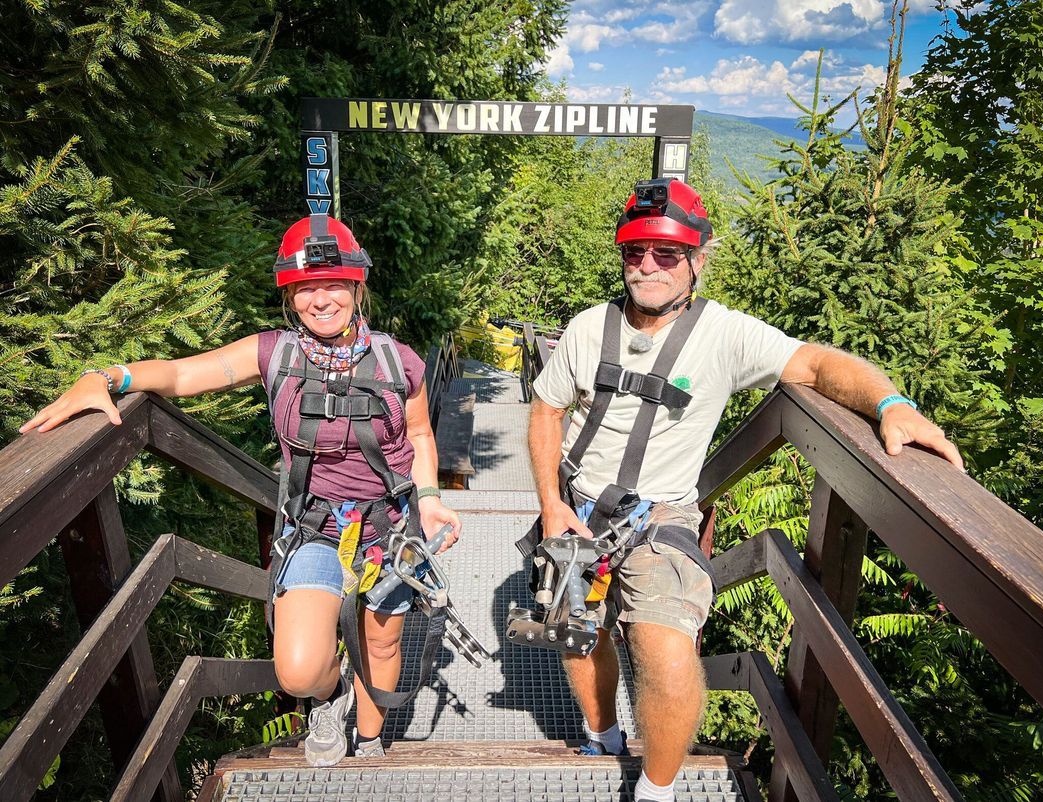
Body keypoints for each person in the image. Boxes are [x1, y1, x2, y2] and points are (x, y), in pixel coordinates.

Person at [527, 178, 962, 802]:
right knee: (578, 631)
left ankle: (655, 790)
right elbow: (546, 410)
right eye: (634, 252)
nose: (646, 266)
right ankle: (604, 733)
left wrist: (890, 402)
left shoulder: (725, 336)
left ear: (697, 261)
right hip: (577, 506)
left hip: (660, 517)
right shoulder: (589, 328)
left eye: (666, 254)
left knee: (667, 649)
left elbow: (815, 364)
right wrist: (550, 505)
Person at [20, 213, 461, 767]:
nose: (320, 299)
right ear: (290, 296)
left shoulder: (400, 361)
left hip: (392, 528)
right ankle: (331, 699)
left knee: (382, 643)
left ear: (356, 286)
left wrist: (428, 497)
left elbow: (419, 434)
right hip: (316, 527)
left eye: (332, 284)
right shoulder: (273, 353)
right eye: (305, 288)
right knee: (298, 670)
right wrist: (108, 377)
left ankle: (370, 744)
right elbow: (181, 376)